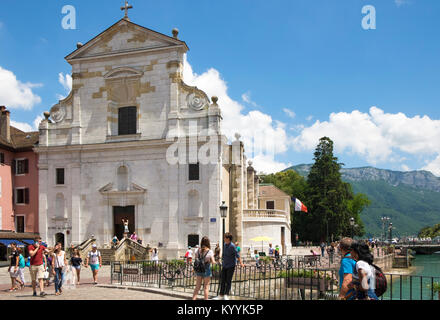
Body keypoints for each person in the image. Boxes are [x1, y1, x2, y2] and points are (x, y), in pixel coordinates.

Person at [213, 232, 245, 300]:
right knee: (222, 280)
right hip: (225, 265)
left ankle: (226, 295)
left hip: (231, 265)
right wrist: (221, 259)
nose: (224, 239)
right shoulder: (224, 244)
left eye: (225, 237)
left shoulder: (233, 246)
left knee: (228, 280)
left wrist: (241, 263)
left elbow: (237, 255)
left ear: (228, 239)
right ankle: (221, 295)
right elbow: (224, 254)